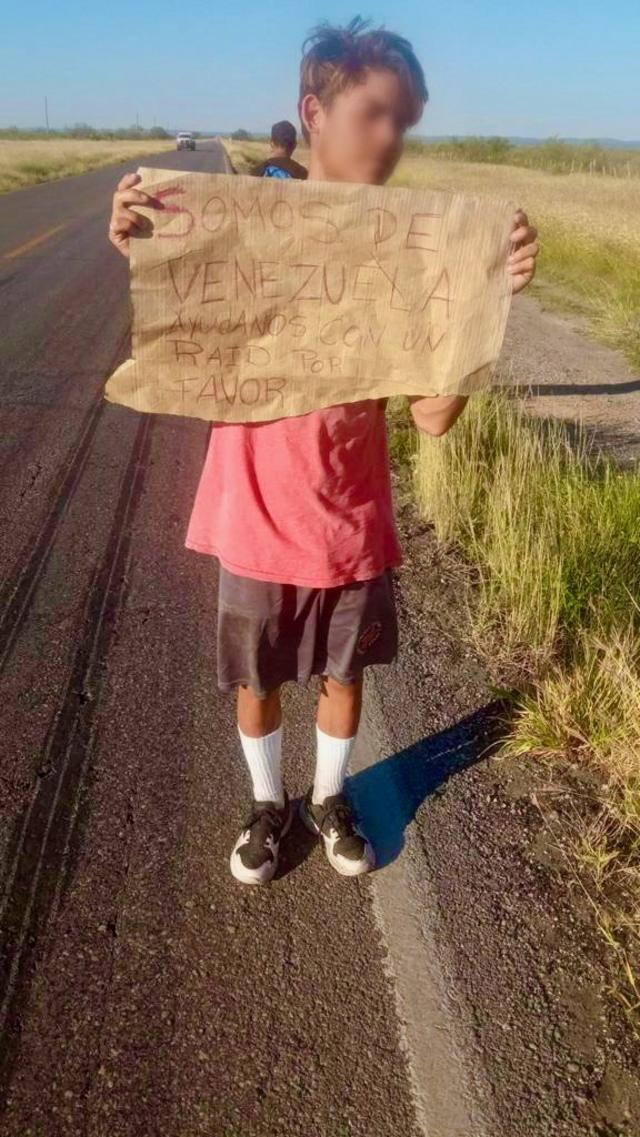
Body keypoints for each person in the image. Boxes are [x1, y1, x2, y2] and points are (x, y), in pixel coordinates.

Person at [108, 16, 539, 887]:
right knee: (257, 676)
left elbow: (433, 418)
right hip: (255, 513)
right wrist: (141, 232)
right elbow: (177, 304)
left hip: (350, 516)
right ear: (316, 110)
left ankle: (331, 797)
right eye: (377, 114)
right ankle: (269, 806)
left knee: (346, 673)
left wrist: (488, 301)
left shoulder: (414, 254)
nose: (392, 139)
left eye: (405, 122)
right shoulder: (250, 224)